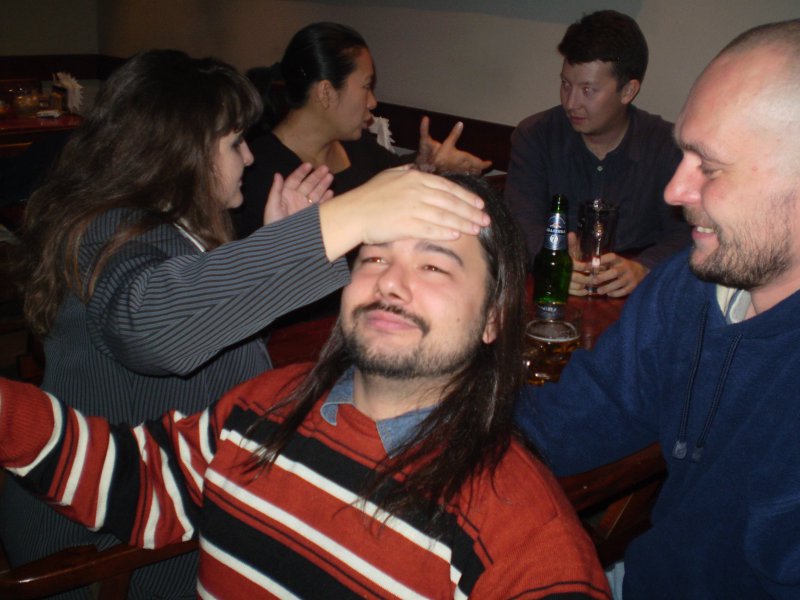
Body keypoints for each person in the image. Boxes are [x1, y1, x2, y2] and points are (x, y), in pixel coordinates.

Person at [4, 50, 489, 599]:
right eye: (235, 143)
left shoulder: (164, 222)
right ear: (184, 152)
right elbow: (153, 328)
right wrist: (349, 216)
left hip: (157, 501)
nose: (250, 157)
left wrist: (276, 241)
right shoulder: (112, 229)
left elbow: (210, 325)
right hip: (108, 544)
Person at [0, 175, 610, 598]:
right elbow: (141, 482)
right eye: (374, 258)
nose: (390, 283)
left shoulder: (522, 533)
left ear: (494, 318)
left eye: (433, 266)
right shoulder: (265, 404)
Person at [515, 19, 800, 599]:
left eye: (709, 166)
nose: (675, 191)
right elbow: (568, 420)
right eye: (683, 156)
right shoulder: (686, 290)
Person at [232, 22, 492, 239]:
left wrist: (432, 166)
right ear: (326, 92)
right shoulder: (259, 174)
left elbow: (394, 177)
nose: (373, 102)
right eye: (366, 87)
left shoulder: (356, 145)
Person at [505, 10, 690, 298]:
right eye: (566, 84)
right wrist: (553, 260)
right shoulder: (536, 136)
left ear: (628, 91)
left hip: (633, 297)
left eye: (588, 90)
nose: (571, 103)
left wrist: (645, 268)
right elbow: (520, 224)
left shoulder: (665, 146)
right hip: (551, 291)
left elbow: (686, 232)